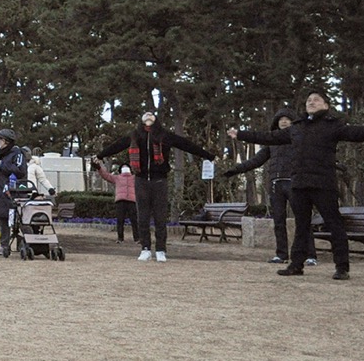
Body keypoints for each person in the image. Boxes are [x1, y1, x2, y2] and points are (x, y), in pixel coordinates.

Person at [229, 90, 364, 280]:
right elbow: (269, 137)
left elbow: (356, 133)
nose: (311, 102)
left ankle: (342, 267)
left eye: (316, 100)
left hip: (323, 183)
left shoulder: (333, 126)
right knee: (302, 226)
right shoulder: (297, 127)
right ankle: (296, 265)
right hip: (299, 183)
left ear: (326, 105)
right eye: (309, 100)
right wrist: (241, 134)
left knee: (334, 224)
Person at [98, 111, 215, 263]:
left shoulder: (164, 135)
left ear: (156, 120)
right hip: (140, 180)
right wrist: (100, 155)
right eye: (145, 116)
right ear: (141, 121)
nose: (148, 118)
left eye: (150, 116)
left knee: (160, 217)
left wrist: (208, 155)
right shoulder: (134, 135)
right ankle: (145, 248)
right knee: (142, 217)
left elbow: (186, 145)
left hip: (159, 180)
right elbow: (117, 146)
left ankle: (160, 249)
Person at [223, 109, 315, 265]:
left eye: (287, 119)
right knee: (278, 221)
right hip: (275, 185)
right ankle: (281, 255)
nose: (284, 121)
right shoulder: (271, 144)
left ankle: (310, 255)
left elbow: (314, 156)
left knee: (303, 219)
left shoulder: (299, 138)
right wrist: (236, 169)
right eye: (281, 119)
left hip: (295, 184)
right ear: (276, 122)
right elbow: (256, 160)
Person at [0, 129, 27, 256]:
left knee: (20, 219)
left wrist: (2, 165)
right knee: (3, 218)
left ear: (5, 141)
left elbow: (20, 170)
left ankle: (32, 242)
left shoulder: (17, 153)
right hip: (0, 192)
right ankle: (4, 246)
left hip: (15, 192)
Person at [93, 159, 138, 243]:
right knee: (124, 220)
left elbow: (106, 175)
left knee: (131, 220)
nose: (125, 168)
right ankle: (124, 238)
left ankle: (134, 238)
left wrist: (99, 168)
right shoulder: (126, 178)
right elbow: (105, 175)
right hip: (126, 200)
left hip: (127, 200)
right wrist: (99, 168)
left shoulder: (128, 178)